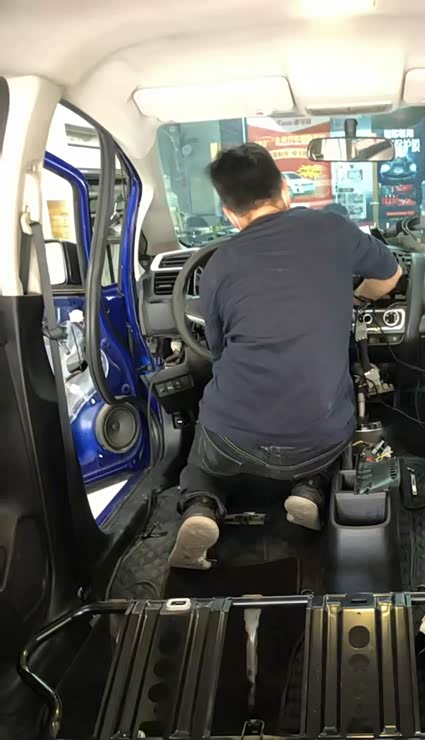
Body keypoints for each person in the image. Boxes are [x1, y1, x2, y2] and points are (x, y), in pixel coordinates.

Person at [168, 143, 401, 570]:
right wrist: (352, 298)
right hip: (316, 437)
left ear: (230, 214)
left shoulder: (219, 265)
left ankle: (201, 505)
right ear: (285, 190)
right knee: (334, 429)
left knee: (202, 462)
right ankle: (309, 488)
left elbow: (218, 351)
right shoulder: (331, 228)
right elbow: (390, 276)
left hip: (232, 440)